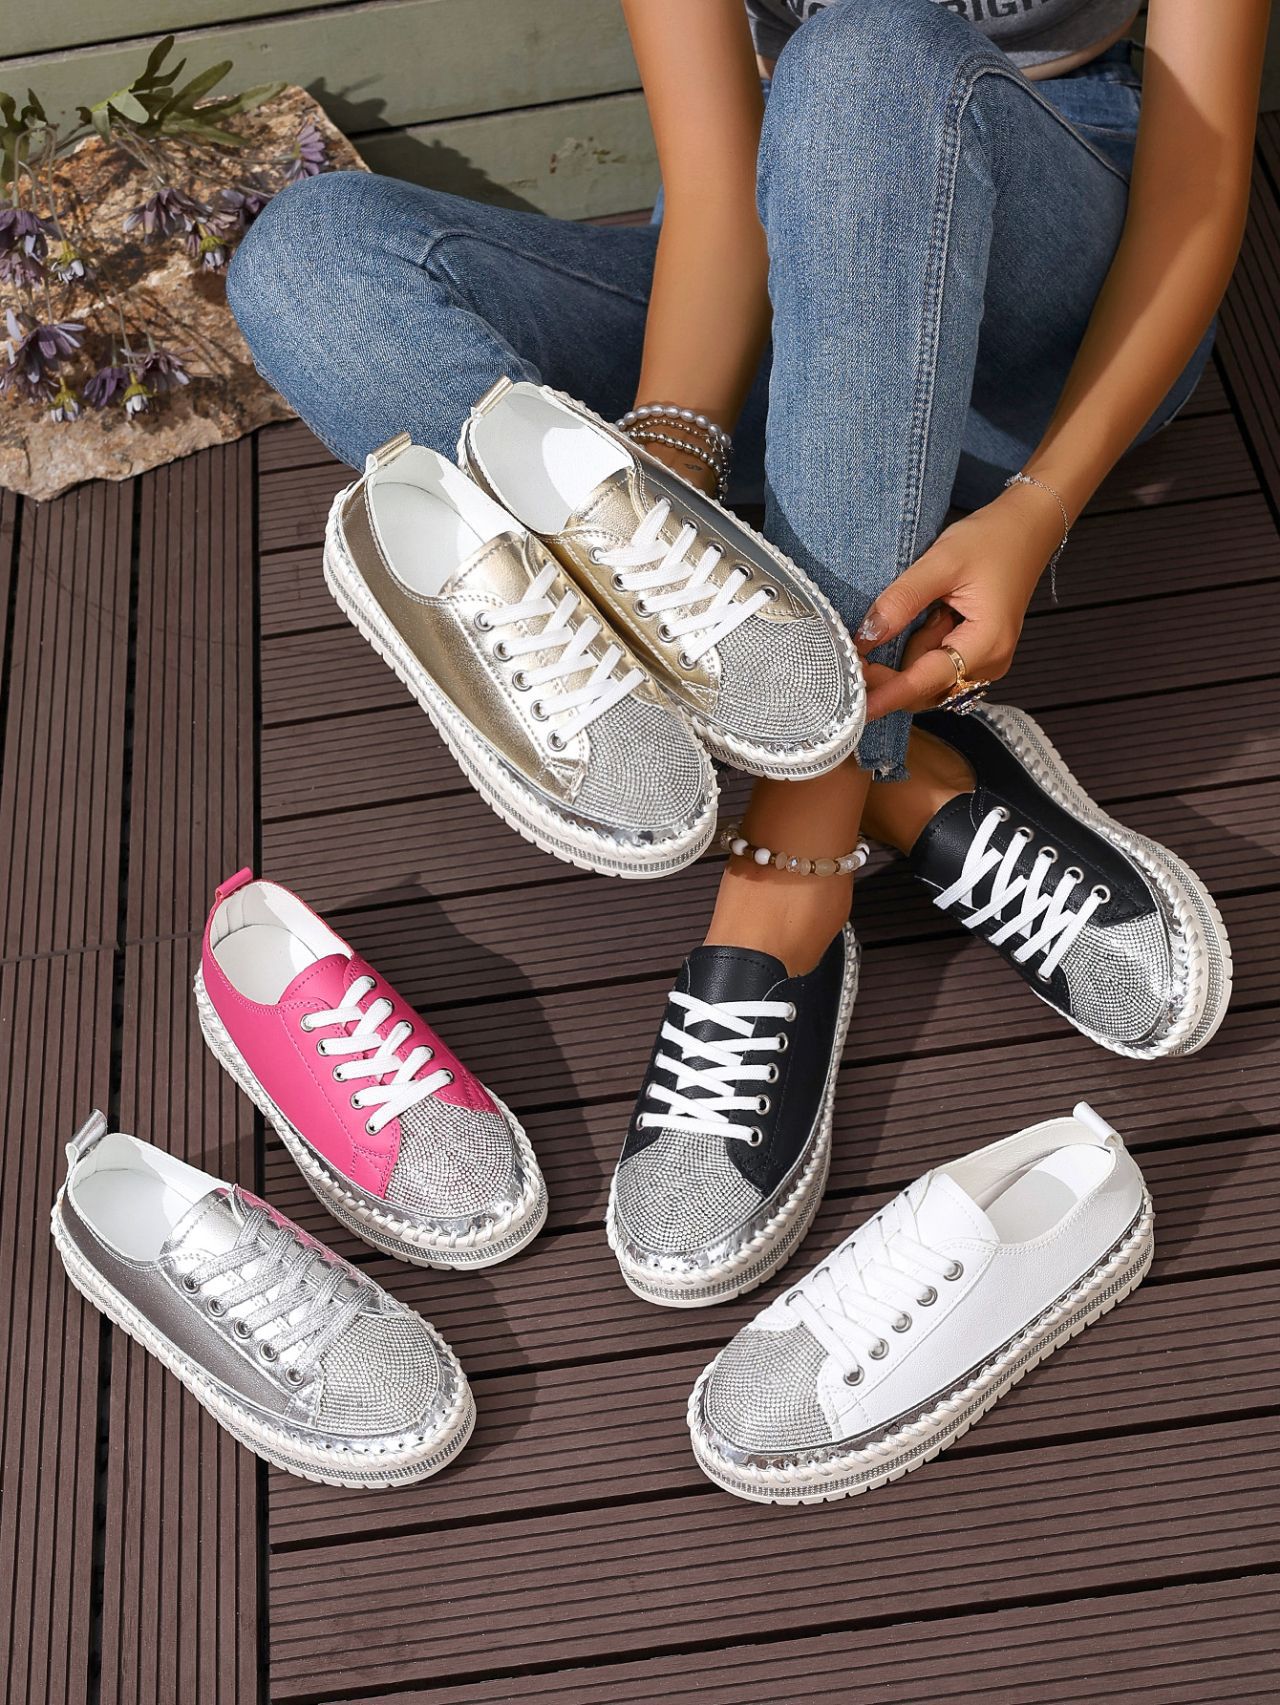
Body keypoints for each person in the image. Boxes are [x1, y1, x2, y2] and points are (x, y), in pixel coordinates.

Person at [228, 0, 1261, 1306]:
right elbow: (718, 187)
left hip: (1050, 298)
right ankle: (905, 773)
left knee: (866, 59)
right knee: (310, 266)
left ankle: (792, 863)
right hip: (774, 272)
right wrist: (654, 490)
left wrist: (1039, 507)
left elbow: (1195, 193)